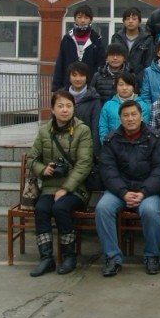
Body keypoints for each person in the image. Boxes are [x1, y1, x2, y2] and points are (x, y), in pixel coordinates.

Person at [96, 100, 160, 277]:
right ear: (120, 118)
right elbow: (107, 171)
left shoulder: (155, 138)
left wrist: (143, 192)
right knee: (102, 208)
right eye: (126, 115)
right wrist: (123, 192)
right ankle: (112, 257)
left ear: (141, 116)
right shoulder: (111, 140)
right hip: (119, 190)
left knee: (150, 211)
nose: (130, 119)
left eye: (134, 114)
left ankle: (152, 256)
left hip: (147, 191)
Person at [27, 90, 93, 276]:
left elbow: (84, 164)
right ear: (53, 109)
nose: (65, 110)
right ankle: (46, 258)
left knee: (60, 208)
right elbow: (32, 159)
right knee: (41, 209)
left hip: (76, 189)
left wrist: (66, 188)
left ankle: (69, 256)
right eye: (60, 106)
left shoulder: (82, 130)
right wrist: (43, 169)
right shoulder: (44, 131)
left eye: (69, 106)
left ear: (74, 108)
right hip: (50, 186)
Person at [51, 4, 106, 92]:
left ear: (91, 20)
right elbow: (60, 63)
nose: (83, 20)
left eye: (86, 18)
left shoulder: (96, 40)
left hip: (90, 87)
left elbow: (100, 65)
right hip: (68, 87)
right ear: (75, 19)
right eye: (79, 17)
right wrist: (56, 87)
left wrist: (98, 87)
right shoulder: (67, 39)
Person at [99, 72, 150, 140]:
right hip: (113, 144)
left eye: (128, 85)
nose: (124, 88)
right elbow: (103, 128)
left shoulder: (142, 105)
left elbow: (145, 127)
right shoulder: (108, 106)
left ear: (133, 87)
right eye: (121, 85)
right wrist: (106, 143)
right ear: (116, 86)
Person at [67, 61, 102, 158]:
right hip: (64, 146)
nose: (78, 79)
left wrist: (95, 153)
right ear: (69, 77)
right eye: (74, 75)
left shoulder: (94, 99)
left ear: (87, 77)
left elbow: (95, 128)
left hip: (85, 147)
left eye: (82, 75)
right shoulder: (61, 96)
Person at [110, 7, 154, 81]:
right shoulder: (116, 38)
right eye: (127, 19)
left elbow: (148, 62)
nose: (130, 21)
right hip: (120, 78)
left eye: (134, 19)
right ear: (123, 21)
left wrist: (140, 78)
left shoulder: (147, 39)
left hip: (141, 79)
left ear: (139, 21)